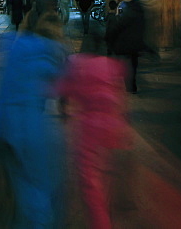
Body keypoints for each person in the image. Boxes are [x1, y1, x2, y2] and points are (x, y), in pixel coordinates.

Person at [0, 11, 69, 227]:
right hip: (34, 127)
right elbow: (61, 90)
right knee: (40, 187)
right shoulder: (51, 52)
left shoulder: (11, 46)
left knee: (18, 184)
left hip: (5, 127)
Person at [55, 32, 130, 229]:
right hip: (114, 126)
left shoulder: (76, 63)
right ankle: (111, 214)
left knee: (90, 183)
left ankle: (101, 223)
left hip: (91, 128)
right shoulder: (112, 65)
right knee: (109, 176)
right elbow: (121, 97)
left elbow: (63, 91)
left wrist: (63, 111)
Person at [105, 0, 147, 93]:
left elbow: (119, 27)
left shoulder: (128, 14)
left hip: (126, 44)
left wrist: (109, 38)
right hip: (136, 45)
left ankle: (128, 84)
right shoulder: (141, 14)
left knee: (126, 65)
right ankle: (132, 86)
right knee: (133, 65)